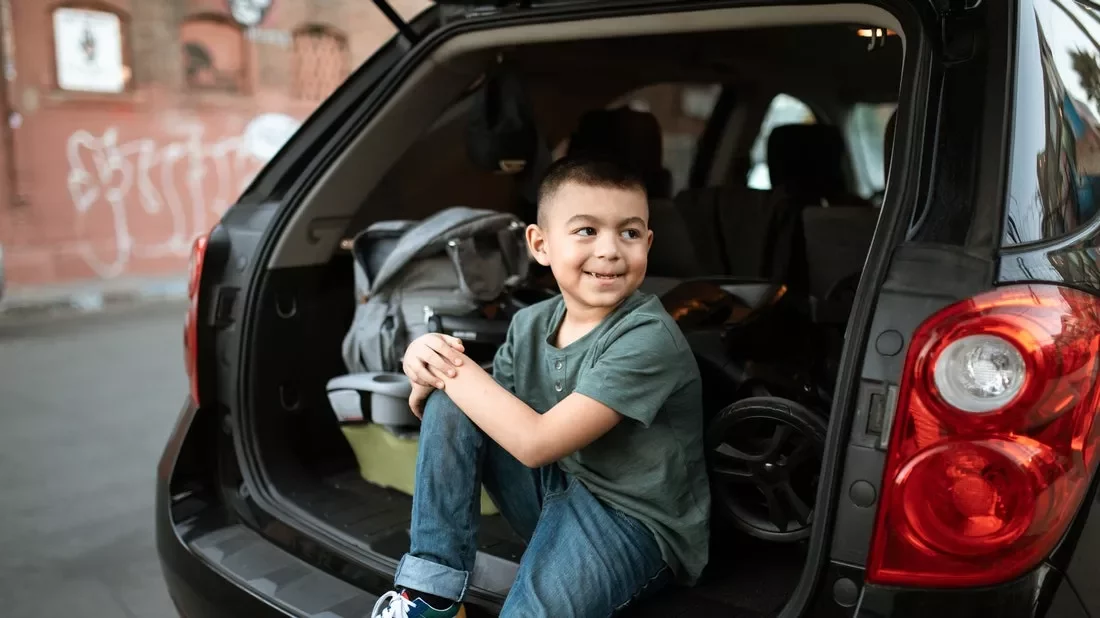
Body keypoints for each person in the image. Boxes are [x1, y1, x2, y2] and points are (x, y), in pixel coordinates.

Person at [370, 157, 711, 618]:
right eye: (586, 230)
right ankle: (431, 597)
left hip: (632, 519)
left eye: (629, 233)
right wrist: (425, 359)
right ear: (540, 244)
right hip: (555, 485)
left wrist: (447, 369)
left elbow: (537, 443)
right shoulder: (529, 323)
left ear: (648, 243)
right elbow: (485, 412)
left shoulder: (649, 337)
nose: (610, 250)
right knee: (456, 399)